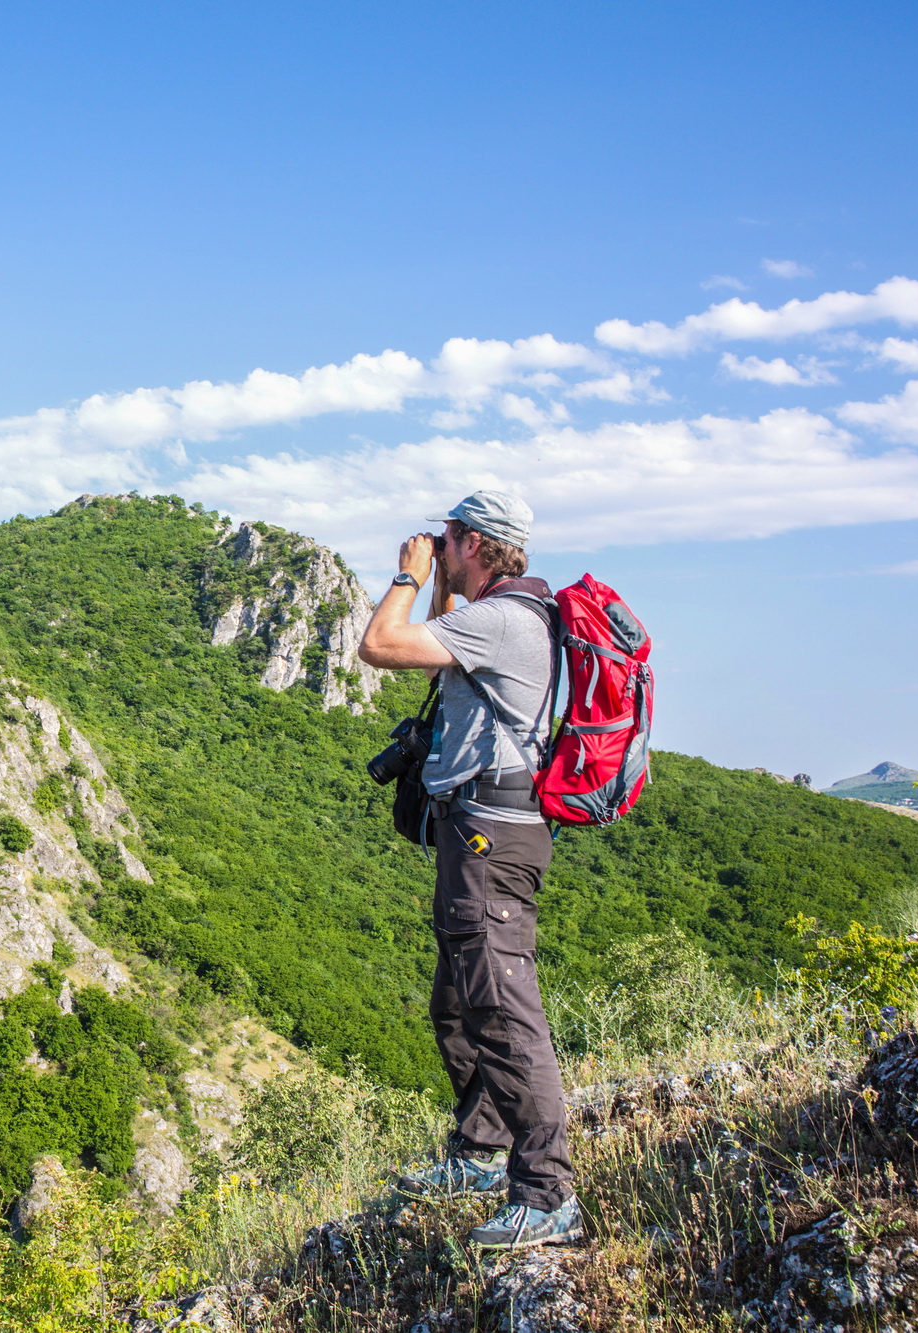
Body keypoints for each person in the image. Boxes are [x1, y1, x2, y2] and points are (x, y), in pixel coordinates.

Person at [355, 489, 582, 1250]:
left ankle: (546, 1192)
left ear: (476, 543)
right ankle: (481, 1152)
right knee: (457, 1003)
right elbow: (446, 627)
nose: (437, 544)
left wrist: (408, 576)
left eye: (449, 537)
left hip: (492, 839)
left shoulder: (504, 621)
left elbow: (380, 644)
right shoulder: (497, 614)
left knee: (503, 1007)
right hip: (474, 834)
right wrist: (444, 576)